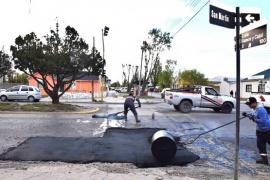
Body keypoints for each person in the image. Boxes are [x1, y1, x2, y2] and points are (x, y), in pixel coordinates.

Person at [242, 97, 270, 165]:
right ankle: (264, 160)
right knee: (260, 146)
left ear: (255, 103)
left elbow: (264, 121)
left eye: (250, 104)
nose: (249, 106)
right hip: (259, 130)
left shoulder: (261, 110)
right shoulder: (253, 109)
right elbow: (253, 115)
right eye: (248, 104)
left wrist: (255, 120)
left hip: (267, 131)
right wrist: (247, 115)